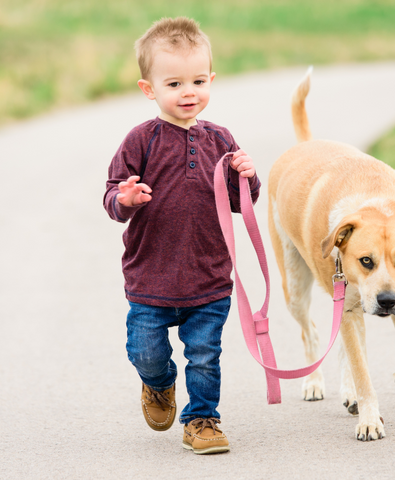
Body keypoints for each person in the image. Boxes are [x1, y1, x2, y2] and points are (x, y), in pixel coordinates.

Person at [103, 17, 260, 455]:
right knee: (147, 353)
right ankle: (158, 383)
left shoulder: (221, 139)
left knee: (206, 355)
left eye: (197, 81)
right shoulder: (142, 140)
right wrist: (126, 198)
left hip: (209, 277)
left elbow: (239, 199)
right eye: (174, 83)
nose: (188, 92)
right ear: (149, 89)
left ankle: (203, 420)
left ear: (211, 79)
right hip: (150, 278)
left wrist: (246, 176)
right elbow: (111, 196)